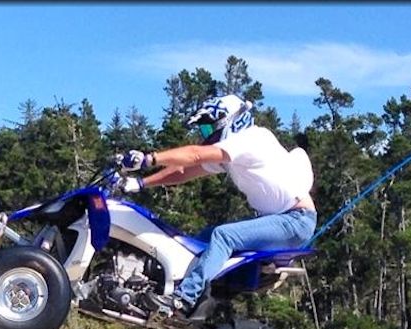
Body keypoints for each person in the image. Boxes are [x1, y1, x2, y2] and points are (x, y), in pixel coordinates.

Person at [114, 94, 318, 316]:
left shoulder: (253, 139)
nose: (206, 135)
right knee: (200, 240)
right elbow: (184, 171)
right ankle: (191, 302)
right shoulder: (234, 151)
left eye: (207, 129)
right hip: (281, 219)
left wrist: (148, 159)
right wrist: (140, 183)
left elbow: (194, 155)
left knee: (223, 236)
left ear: (228, 121)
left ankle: (182, 300)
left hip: (295, 219)